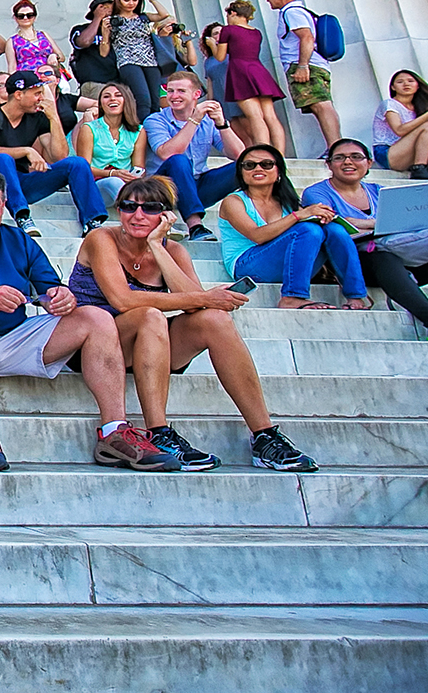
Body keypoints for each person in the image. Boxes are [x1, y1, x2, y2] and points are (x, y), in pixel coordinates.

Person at [0, 166, 177, 473]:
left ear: (4, 205)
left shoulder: (18, 239)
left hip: (13, 336)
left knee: (96, 317)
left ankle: (113, 431)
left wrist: (61, 298)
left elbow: (50, 289)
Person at [68, 175, 317, 472]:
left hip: (149, 345)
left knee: (214, 319)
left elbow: (198, 303)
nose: (137, 215)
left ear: (166, 215)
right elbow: (122, 301)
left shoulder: (173, 251)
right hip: (98, 346)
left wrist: (158, 247)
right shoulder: (102, 238)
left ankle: (264, 436)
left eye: (150, 207)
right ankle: (159, 433)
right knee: (150, 314)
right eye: (128, 206)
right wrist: (205, 298)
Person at [218, 144, 369, 310]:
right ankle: (292, 297)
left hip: (285, 263)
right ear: (241, 172)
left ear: (278, 172)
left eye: (266, 164)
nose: (258, 168)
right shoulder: (233, 201)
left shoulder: (287, 202)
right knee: (308, 230)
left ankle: (355, 295)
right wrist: (298, 215)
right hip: (247, 265)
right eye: (249, 165)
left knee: (334, 229)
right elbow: (257, 236)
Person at [304, 138, 428, 330]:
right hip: (351, 263)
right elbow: (336, 222)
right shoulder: (316, 193)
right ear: (328, 164)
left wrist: (368, 225)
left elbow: (404, 223)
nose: (348, 162)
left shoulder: (379, 191)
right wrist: (380, 224)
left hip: (399, 253)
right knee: (383, 258)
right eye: (339, 158)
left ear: (369, 163)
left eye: (356, 157)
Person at [0, 70, 107, 236]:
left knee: (77, 163)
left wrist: (53, 118)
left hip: (23, 183)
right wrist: (27, 151)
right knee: (2, 158)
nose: (41, 98)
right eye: (36, 94)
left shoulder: (38, 117)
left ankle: (92, 221)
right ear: (19, 94)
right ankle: (22, 216)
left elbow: (60, 156)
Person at [142, 69, 246, 241]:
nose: (174, 96)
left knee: (249, 164)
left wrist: (221, 123)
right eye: (170, 91)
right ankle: (195, 226)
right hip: (161, 189)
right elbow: (167, 153)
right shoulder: (155, 120)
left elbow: (238, 154)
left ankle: (285, 211)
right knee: (179, 160)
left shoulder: (208, 122)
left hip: (197, 187)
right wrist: (194, 120)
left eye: (181, 91)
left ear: (196, 94)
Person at [266, 0, 341, 148]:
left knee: (321, 105)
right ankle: (334, 147)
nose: (267, 0)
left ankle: (336, 147)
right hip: (312, 64)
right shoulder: (297, 11)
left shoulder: (292, 12)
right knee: (319, 106)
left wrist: (302, 65)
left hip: (307, 65)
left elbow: (306, 37)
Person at [213, 0, 286, 153]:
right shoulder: (256, 32)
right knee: (270, 116)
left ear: (233, 13)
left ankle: (263, 153)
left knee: (255, 116)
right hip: (258, 70)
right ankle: (279, 154)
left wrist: (212, 44)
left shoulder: (229, 30)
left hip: (239, 71)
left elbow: (220, 57)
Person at [75, 80, 147, 207]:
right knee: (114, 182)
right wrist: (112, 173)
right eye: (106, 96)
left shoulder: (138, 131)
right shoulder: (89, 129)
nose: (112, 99)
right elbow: (84, 168)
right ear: (101, 104)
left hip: (126, 183)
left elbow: (139, 167)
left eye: (118, 95)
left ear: (127, 101)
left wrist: (133, 176)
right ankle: (134, 208)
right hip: (97, 184)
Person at [107, 0, 169, 120]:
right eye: (127, 0)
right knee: (142, 98)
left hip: (150, 61)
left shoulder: (143, 17)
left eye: (134, 0)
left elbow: (164, 14)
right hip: (128, 60)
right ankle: (142, 132)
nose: (131, 3)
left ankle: (154, 131)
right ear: (119, 1)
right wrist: (105, 33)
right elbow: (105, 47)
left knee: (154, 101)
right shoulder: (113, 20)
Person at [374, 69, 428, 175]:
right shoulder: (389, 104)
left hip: (408, 152)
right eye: (400, 82)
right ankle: (419, 169)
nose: (406, 84)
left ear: (417, 86)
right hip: (387, 153)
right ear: (393, 87)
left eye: (410, 81)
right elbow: (399, 130)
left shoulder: (419, 107)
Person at [69, 0, 118, 101]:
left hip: (118, 83)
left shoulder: (117, 31)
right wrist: (98, 17)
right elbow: (84, 42)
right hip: (95, 82)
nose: (109, 11)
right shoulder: (81, 29)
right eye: (104, 8)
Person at [6, 0, 66, 81]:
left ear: (35, 17)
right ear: (15, 18)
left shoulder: (44, 35)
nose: (25, 18)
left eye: (29, 15)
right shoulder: (12, 41)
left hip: (50, 75)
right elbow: (12, 67)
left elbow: (62, 57)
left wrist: (54, 56)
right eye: (21, 16)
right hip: (29, 79)